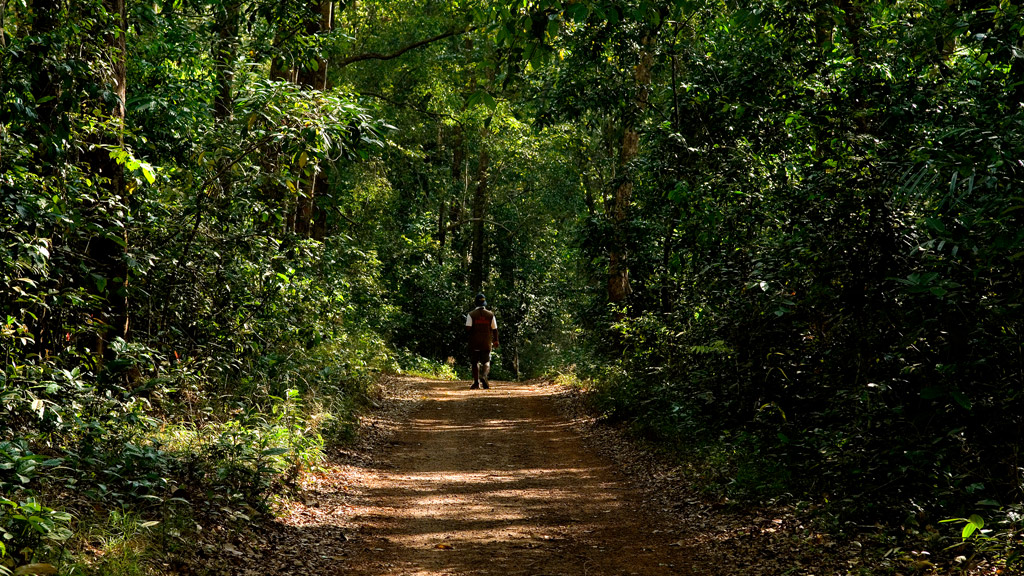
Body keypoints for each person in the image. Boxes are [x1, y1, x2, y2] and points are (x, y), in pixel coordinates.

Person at [465, 292, 499, 389]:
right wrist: (496, 340)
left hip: (474, 342)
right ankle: (484, 376)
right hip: (486, 342)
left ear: (475, 303)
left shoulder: (471, 314)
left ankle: (476, 382)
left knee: (475, 362)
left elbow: (468, 328)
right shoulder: (490, 315)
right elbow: (495, 329)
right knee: (486, 361)